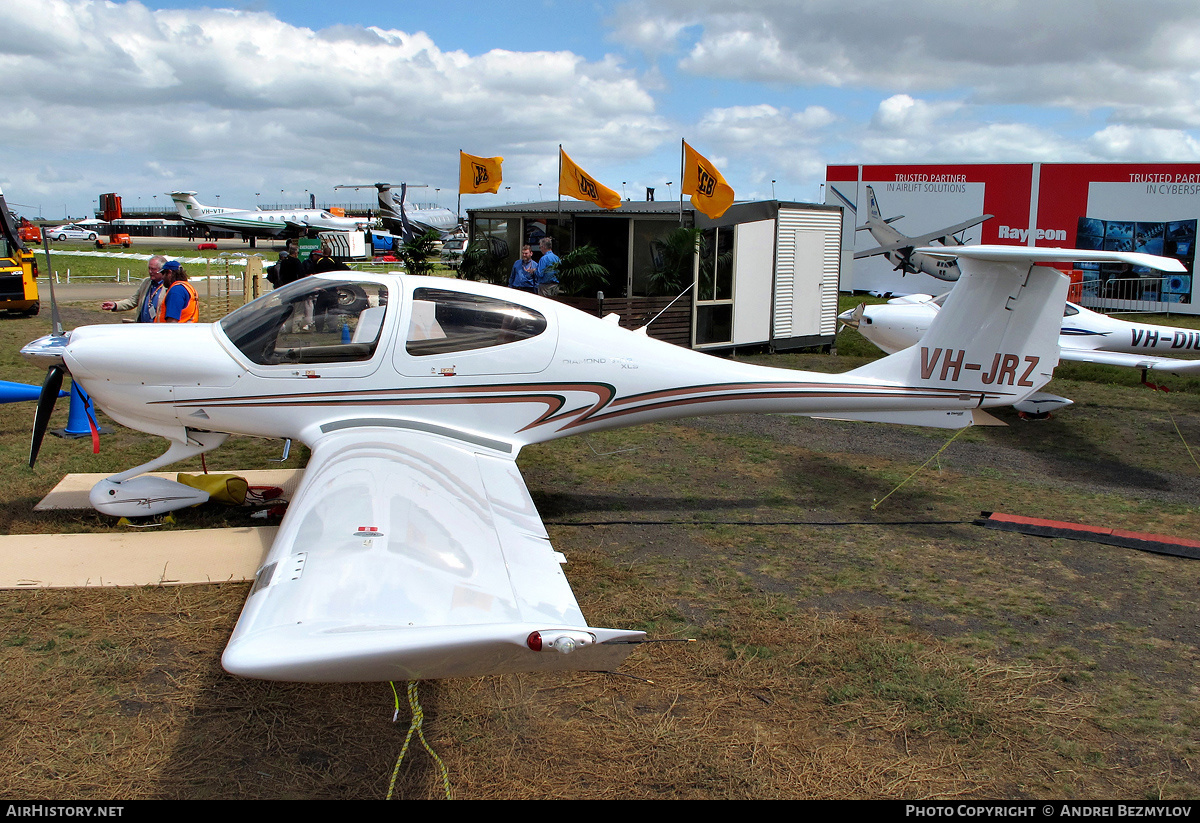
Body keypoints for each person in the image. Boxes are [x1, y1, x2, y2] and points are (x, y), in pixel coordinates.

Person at [102, 255, 166, 322]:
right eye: (149, 268)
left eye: (153, 269)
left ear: (162, 270)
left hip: (158, 328)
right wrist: (115, 305)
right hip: (142, 326)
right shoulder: (146, 282)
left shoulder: (168, 287)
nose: (150, 271)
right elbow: (133, 301)